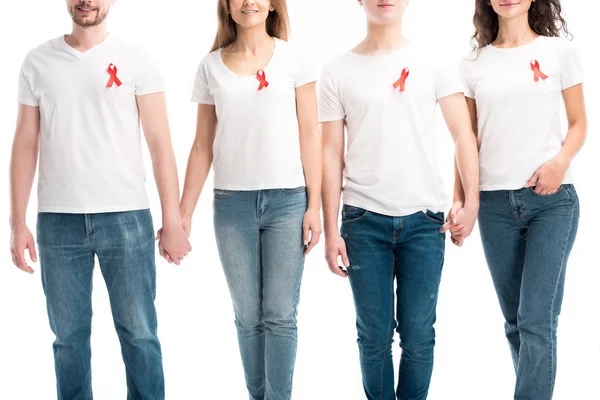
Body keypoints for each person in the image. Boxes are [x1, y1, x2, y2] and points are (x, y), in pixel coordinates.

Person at [9, 1, 191, 398]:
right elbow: (25, 141)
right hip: (58, 222)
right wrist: (17, 221)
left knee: (140, 334)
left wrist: (173, 220)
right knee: (68, 340)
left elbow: (161, 145)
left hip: (126, 219)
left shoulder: (136, 60)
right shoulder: (37, 61)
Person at [319, 1, 480, 399]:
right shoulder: (337, 70)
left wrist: (471, 201)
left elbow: (463, 134)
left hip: (425, 223)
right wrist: (330, 230)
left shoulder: (432, 61)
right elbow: (329, 155)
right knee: (373, 338)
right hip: (362, 221)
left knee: (418, 336)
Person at [173, 0, 322, 398]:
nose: (248, 2)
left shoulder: (294, 60)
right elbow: (202, 146)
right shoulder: (210, 67)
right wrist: (182, 212)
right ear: (226, 6)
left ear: (273, 5)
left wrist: (315, 206)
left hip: (288, 202)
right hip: (232, 206)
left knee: (280, 316)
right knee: (248, 316)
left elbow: (311, 134)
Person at [459, 1, 587, 399]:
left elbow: (580, 123)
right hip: (494, 208)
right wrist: (462, 201)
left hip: (551, 201)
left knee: (535, 319)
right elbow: (467, 142)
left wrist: (559, 163)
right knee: (516, 323)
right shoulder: (473, 63)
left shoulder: (558, 53)